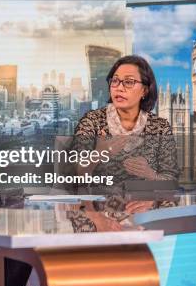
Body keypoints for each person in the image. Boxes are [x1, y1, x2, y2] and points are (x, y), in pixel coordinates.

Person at [72, 55, 180, 188]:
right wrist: (98, 154)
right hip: (98, 205)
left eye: (129, 82)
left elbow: (172, 181)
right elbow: (71, 176)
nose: (119, 87)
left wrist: (151, 176)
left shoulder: (160, 127)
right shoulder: (91, 122)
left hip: (145, 206)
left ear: (145, 90)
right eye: (115, 81)